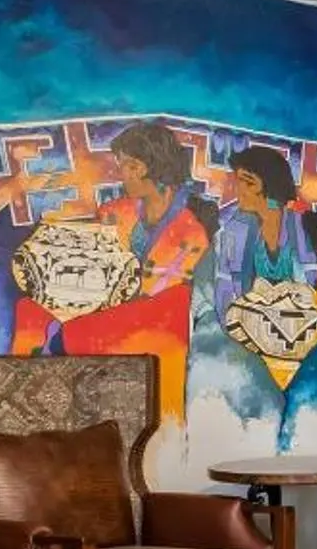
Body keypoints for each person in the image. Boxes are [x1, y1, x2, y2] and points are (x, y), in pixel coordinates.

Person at [13, 119, 214, 418]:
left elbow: (182, 290)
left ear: (143, 167)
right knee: (28, 309)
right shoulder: (114, 212)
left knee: (169, 304)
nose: (121, 175)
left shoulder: (198, 222)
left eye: (125, 166)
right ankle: (25, 400)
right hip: (105, 307)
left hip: (161, 317)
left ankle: (63, 340)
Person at [210, 143, 316, 329]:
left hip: (298, 327)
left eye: (249, 182)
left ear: (271, 186)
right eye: (238, 180)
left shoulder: (301, 226)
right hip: (248, 329)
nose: (239, 189)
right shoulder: (234, 229)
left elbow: (315, 286)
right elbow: (224, 290)